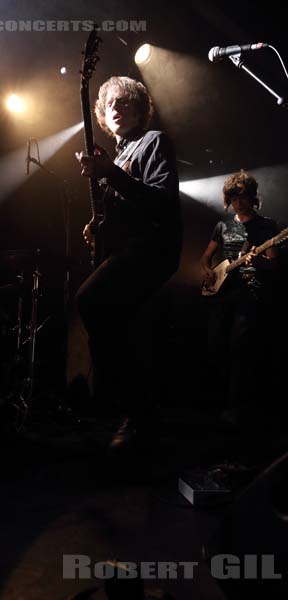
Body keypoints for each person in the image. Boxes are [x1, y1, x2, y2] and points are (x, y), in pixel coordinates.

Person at [75, 76, 182, 453]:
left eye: (125, 103)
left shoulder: (153, 142)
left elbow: (159, 202)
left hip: (154, 247)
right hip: (130, 248)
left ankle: (136, 412)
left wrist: (109, 174)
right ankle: (138, 415)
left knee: (89, 300)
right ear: (102, 115)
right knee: (120, 326)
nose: (116, 110)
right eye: (110, 105)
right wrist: (97, 226)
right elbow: (122, 211)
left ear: (140, 110)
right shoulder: (116, 157)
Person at [200, 170, 281, 437]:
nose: (238, 203)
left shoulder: (268, 227)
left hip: (251, 296)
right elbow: (206, 258)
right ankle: (217, 406)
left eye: (243, 197)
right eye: (233, 198)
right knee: (215, 345)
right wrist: (209, 271)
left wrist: (257, 262)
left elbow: (275, 265)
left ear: (252, 197)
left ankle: (238, 412)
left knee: (241, 350)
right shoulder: (222, 225)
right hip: (223, 294)